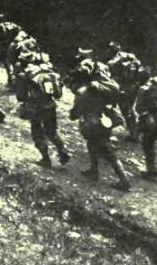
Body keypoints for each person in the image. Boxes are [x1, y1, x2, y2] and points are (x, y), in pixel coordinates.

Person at [69, 58, 131, 192]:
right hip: (105, 120)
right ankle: (94, 170)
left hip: (92, 123)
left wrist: (73, 114)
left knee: (108, 151)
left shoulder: (84, 91)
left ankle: (124, 180)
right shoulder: (105, 88)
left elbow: (76, 111)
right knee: (92, 145)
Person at [15, 51, 71, 168]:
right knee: (52, 132)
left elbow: (21, 96)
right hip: (50, 105)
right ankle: (63, 151)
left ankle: (46, 159)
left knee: (38, 133)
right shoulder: (49, 72)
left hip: (36, 107)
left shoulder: (24, 75)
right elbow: (58, 94)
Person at [107, 42, 143, 141]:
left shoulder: (113, 61)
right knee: (130, 110)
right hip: (133, 87)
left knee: (115, 109)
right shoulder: (131, 58)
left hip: (122, 88)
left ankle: (107, 132)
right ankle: (134, 134)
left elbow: (109, 72)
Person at [0, 14, 24, 88]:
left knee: (9, 66)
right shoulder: (14, 26)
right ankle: (15, 83)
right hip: (16, 48)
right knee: (15, 66)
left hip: (6, 49)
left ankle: (13, 84)